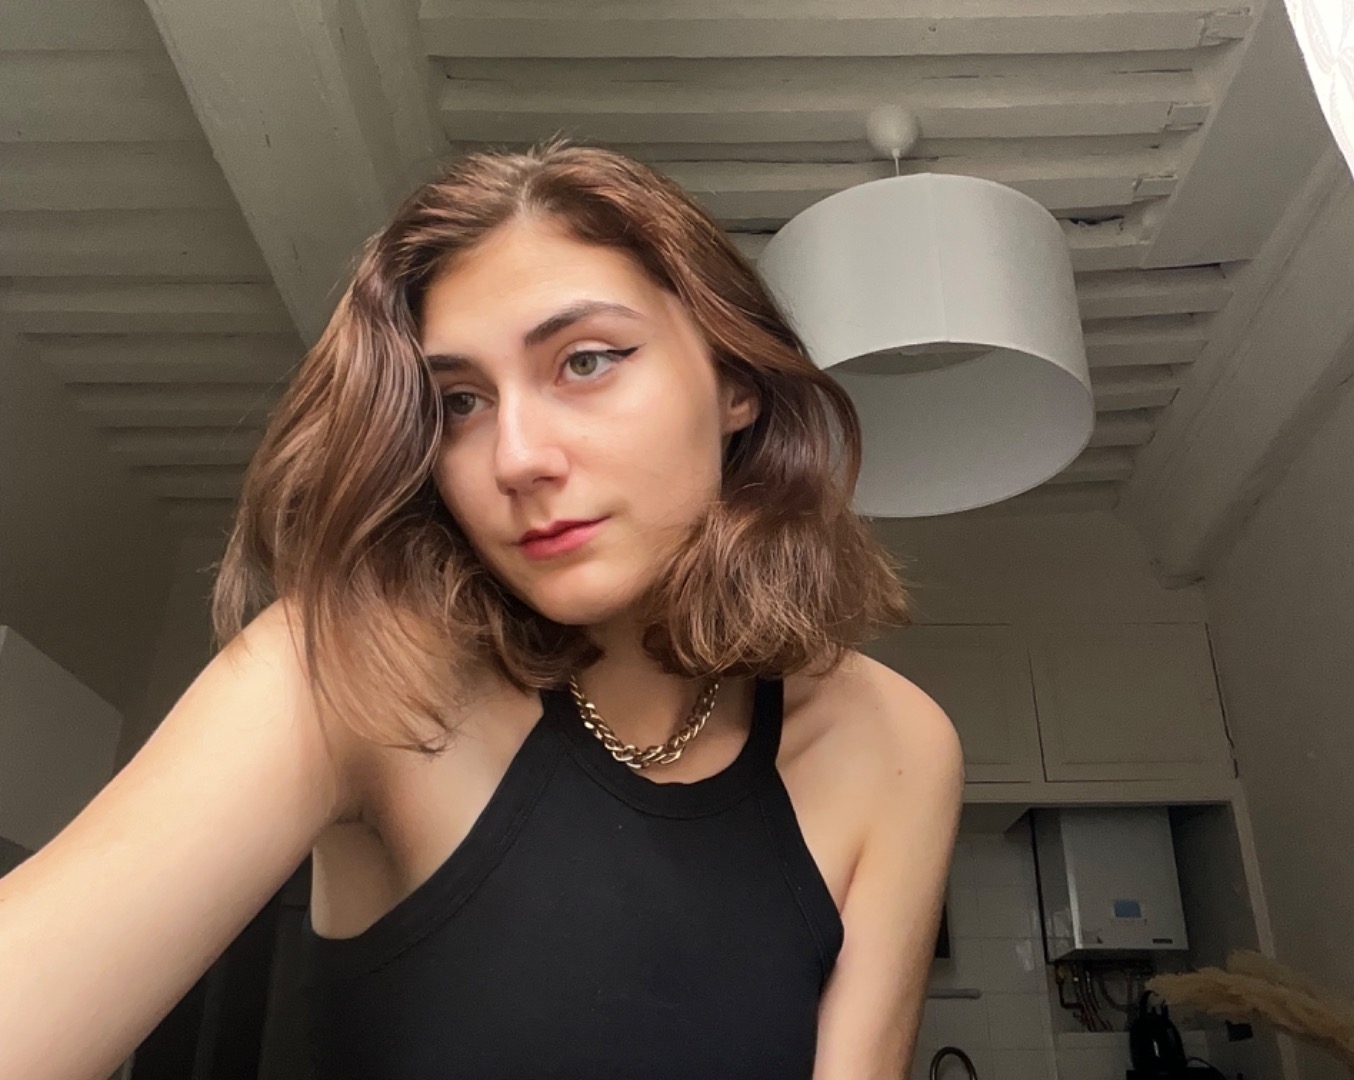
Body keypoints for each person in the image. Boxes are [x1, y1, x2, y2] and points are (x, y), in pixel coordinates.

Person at [0, 139, 964, 1080]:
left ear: (736, 383)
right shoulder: (349, 673)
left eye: (586, 361)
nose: (516, 458)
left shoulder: (894, 744)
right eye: (459, 402)